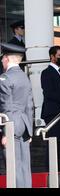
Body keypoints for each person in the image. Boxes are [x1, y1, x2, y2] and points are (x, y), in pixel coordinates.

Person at [0, 43, 33, 188]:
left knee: (13, 164)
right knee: (25, 165)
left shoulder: (5, 78)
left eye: (2, 58)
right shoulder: (25, 77)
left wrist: (6, 132)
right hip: (24, 124)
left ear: (7, 58)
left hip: (11, 124)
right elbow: (29, 105)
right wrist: (30, 130)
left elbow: (6, 106)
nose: (1, 61)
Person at [41, 46, 60, 168]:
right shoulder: (47, 73)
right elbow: (48, 92)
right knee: (53, 143)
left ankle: (56, 169)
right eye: (59, 55)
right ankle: (50, 170)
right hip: (53, 113)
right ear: (52, 57)